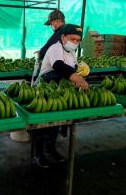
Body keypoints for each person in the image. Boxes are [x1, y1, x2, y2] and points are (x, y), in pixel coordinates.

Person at [31, 24, 89, 168]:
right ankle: (38, 155)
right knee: (43, 124)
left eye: (77, 40)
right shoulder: (55, 48)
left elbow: (72, 68)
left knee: (57, 123)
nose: (75, 42)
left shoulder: (70, 52)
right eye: (72, 39)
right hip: (45, 90)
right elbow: (59, 66)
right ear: (63, 37)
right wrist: (78, 79)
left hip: (60, 90)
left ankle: (51, 150)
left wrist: (79, 75)